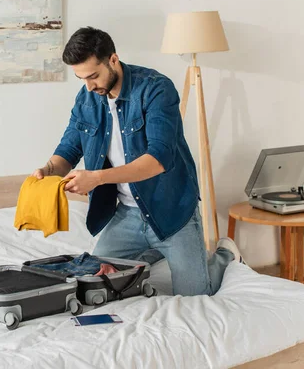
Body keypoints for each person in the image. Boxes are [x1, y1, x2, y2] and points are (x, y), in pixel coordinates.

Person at [32, 27, 245, 296]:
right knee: (94, 283)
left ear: (113, 60)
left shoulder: (156, 89)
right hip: (127, 216)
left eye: (94, 76)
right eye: (81, 78)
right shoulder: (87, 97)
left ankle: (225, 255)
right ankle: (155, 250)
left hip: (171, 211)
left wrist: (95, 178)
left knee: (195, 295)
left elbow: (158, 159)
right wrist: (48, 170)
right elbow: (69, 148)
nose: (89, 86)